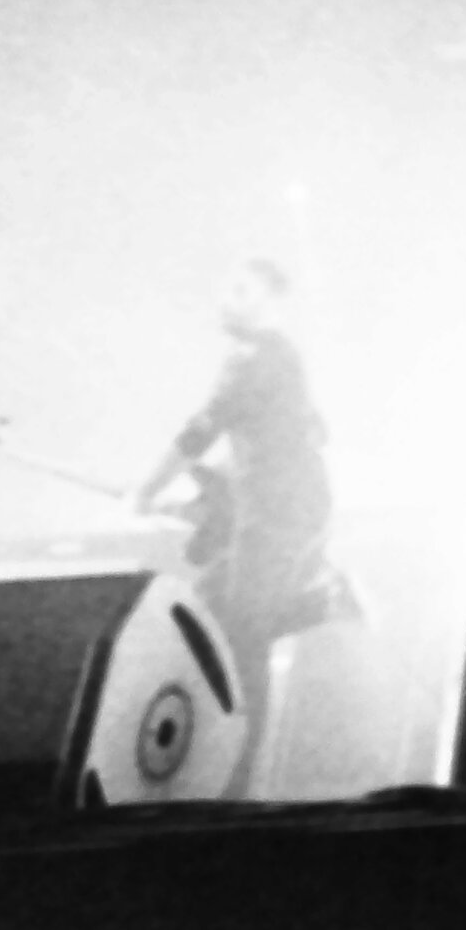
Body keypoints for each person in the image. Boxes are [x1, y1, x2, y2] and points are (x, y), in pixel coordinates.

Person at [136, 259, 335, 793]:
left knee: (245, 638)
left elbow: (203, 427)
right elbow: (286, 436)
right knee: (205, 610)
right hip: (277, 515)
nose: (227, 302)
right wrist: (207, 495)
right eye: (224, 291)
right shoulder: (281, 361)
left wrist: (148, 489)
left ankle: (237, 782)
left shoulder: (255, 359)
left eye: (241, 292)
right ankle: (311, 604)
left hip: (278, 520)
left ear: (271, 300)